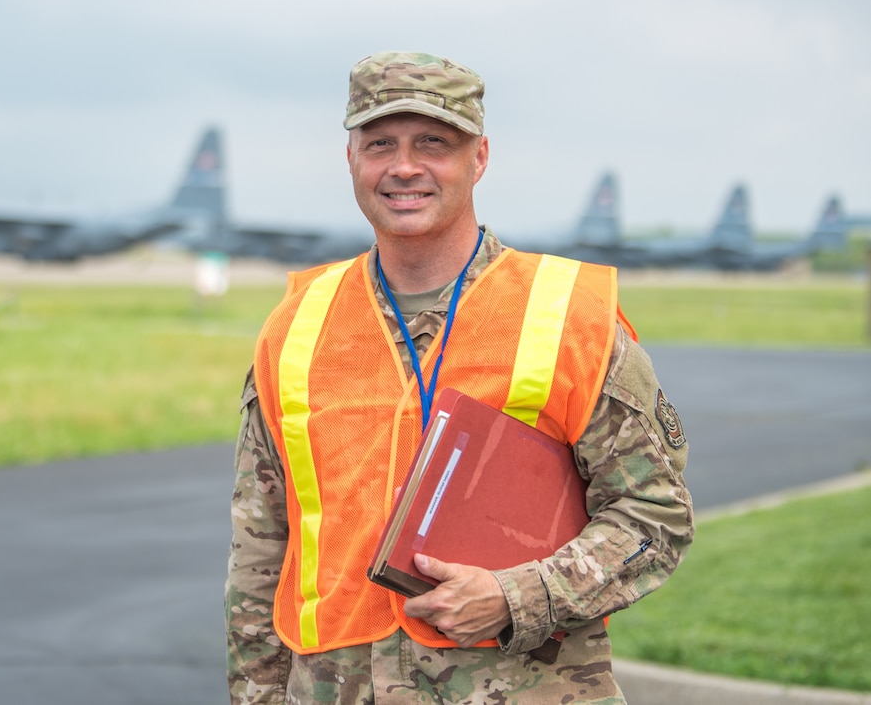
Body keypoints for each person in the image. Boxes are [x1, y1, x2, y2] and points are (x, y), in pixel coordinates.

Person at [225, 50, 694, 704]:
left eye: (433, 144)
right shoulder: (296, 325)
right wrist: (256, 694)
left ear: (478, 159)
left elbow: (654, 517)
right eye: (379, 143)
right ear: (351, 159)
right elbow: (261, 546)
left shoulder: (566, 317)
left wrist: (517, 594)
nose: (404, 167)